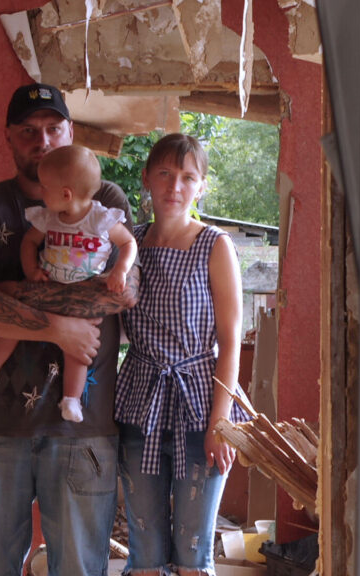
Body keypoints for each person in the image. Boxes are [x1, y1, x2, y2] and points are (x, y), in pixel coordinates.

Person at [0, 83, 138, 576]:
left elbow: (123, 291)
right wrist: (56, 329)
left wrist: (13, 294)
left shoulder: (104, 200)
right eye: (29, 131)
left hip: (82, 429)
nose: (43, 140)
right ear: (9, 137)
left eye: (54, 128)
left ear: (71, 130)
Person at [114, 133, 252, 576]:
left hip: (200, 404)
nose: (175, 186)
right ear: (147, 179)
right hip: (139, 403)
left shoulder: (215, 246)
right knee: (145, 550)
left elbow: (230, 341)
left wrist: (221, 423)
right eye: (165, 174)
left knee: (193, 552)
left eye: (188, 177)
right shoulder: (127, 244)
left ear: (201, 187)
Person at [0, 144, 138, 424]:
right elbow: (29, 242)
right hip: (47, 287)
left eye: (45, 187)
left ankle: (71, 399)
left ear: (65, 194)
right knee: (17, 323)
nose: (40, 192)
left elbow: (129, 243)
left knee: (79, 348)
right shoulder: (49, 217)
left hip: (83, 292)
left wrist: (120, 270)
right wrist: (32, 270)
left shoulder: (101, 217)